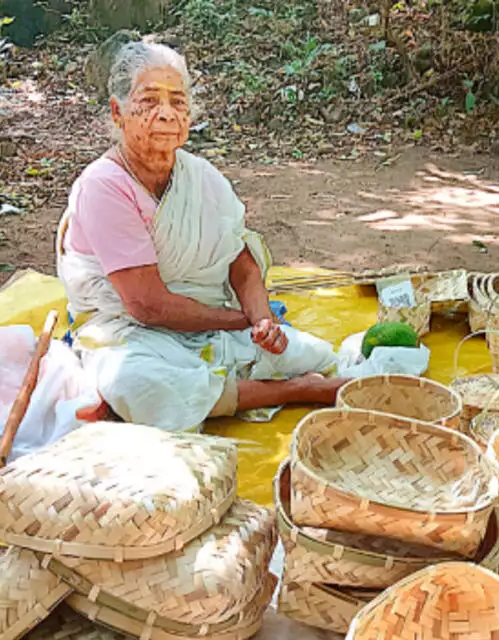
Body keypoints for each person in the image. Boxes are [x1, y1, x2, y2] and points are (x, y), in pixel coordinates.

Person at [55, 41, 348, 432]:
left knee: (315, 353)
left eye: (178, 102)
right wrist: (238, 321)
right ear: (117, 112)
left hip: (208, 324)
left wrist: (263, 322)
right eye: (149, 101)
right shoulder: (103, 186)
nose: (166, 114)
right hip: (128, 331)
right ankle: (297, 391)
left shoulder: (200, 176)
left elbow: (241, 264)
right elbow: (147, 306)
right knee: (140, 384)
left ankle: (253, 380)